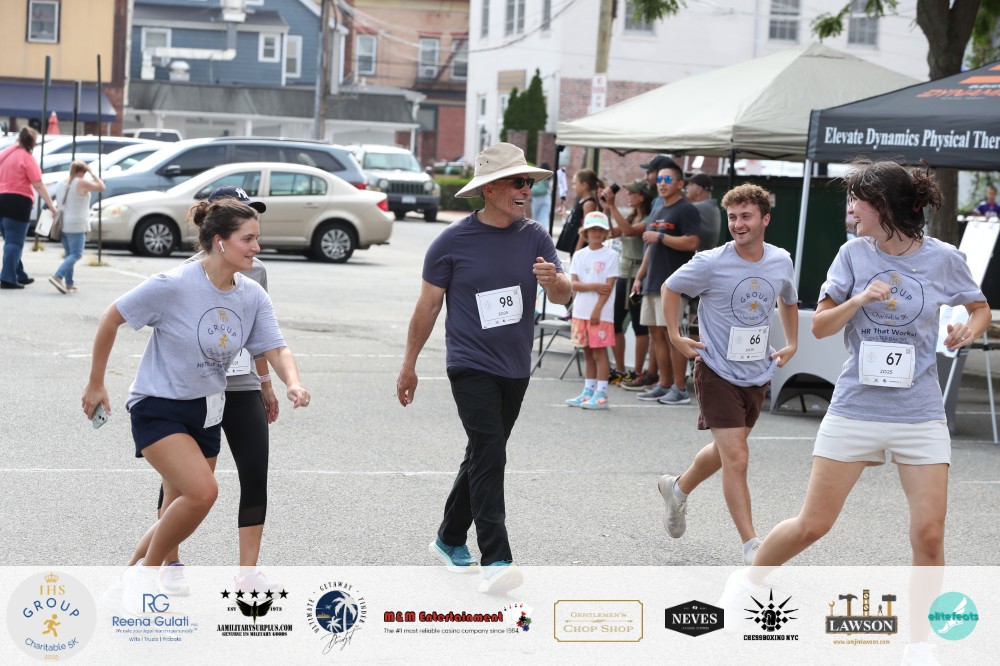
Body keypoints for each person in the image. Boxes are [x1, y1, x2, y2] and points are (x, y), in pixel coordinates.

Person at [750, 159, 989, 660]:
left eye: (857, 199)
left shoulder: (944, 258)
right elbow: (820, 327)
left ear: (884, 205)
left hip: (920, 414)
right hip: (856, 409)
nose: (851, 209)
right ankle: (746, 584)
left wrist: (968, 329)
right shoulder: (852, 254)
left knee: (929, 534)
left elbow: (979, 307)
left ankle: (920, 644)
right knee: (813, 525)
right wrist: (859, 298)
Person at [82, 197, 310, 613]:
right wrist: (96, 383)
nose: (257, 247)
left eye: (257, 238)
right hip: (159, 405)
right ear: (220, 241)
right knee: (203, 492)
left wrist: (291, 382)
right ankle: (147, 577)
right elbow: (111, 317)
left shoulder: (252, 295)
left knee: (177, 507)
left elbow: (276, 347)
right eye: (248, 239)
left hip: (206, 409)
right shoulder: (172, 285)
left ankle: (126, 579)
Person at [396, 142, 570, 594]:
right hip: (469, 363)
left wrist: (556, 281)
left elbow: (563, 293)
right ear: (489, 188)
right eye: (518, 182)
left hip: (515, 366)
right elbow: (428, 307)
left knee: (482, 453)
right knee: (491, 452)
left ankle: (449, 538)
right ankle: (496, 559)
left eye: (529, 182)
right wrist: (409, 365)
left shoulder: (535, 235)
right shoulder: (451, 242)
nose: (526, 189)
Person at [150, 186, 283, 596]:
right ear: (217, 230)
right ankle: (169, 564)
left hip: (243, 387)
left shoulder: (256, 272)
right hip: (198, 390)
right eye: (244, 225)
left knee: (255, 474)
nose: (253, 242)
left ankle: (247, 572)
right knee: (186, 484)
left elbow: (261, 334)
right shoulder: (185, 276)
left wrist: (266, 383)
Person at [657, 183, 799, 565]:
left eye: (746, 216)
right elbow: (670, 287)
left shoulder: (780, 260)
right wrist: (675, 336)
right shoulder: (710, 262)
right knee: (737, 456)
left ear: (765, 219)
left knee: (725, 452)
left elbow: (788, 299)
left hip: (756, 372)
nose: (738, 224)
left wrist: (793, 342)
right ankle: (752, 546)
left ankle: (678, 489)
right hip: (716, 369)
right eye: (733, 217)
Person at [632, 163, 702, 404]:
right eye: (660, 179)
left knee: (674, 336)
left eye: (668, 179)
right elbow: (650, 248)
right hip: (652, 281)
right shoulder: (658, 209)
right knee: (657, 335)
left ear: (680, 184)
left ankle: (680, 388)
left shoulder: (686, 209)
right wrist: (640, 277)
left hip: (674, 284)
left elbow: (692, 242)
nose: (662, 183)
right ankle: (664, 384)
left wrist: (661, 236)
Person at [601, 178, 655, 387]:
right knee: (616, 322)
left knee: (639, 325)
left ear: (642, 196)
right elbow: (612, 233)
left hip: (637, 274)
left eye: (632, 193)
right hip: (624, 273)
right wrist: (607, 210)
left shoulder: (649, 219)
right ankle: (621, 369)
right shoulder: (632, 216)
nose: (629, 196)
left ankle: (637, 372)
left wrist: (613, 206)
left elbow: (629, 231)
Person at [565, 211, 619, 410]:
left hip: (600, 314)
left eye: (600, 229)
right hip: (580, 312)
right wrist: (594, 286)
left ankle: (601, 394)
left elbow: (609, 286)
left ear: (606, 232)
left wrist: (597, 309)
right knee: (587, 352)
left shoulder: (611, 255)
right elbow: (574, 284)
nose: (597, 233)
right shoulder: (579, 255)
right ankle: (588, 391)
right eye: (592, 229)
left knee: (599, 353)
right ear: (585, 232)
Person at [0, 127, 58, 289]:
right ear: (32, 143)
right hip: (18, 202)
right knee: (15, 243)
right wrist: (51, 205)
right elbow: (38, 184)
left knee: (10, 240)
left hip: (1, 199)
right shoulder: (27, 158)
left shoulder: (4, 155)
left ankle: (19, 274)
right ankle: (8, 278)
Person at [48, 161, 105, 294]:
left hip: (63, 223)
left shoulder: (62, 183)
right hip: (77, 224)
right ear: (82, 172)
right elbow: (101, 187)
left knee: (70, 254)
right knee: (77, 254)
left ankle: (69, 283)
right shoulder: (80, 182)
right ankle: (58, 276)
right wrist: (93, 174)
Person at [555, 169, 600, 256]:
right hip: (573, 243)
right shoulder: (581, 200)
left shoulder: (589, 203)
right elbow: (576, 219)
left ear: (584, 185)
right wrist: (565, 214)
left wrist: (577, 250)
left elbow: (585, 227)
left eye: (575, 184)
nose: (573, 187)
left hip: (578, 245)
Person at [685, 173, 721, 252]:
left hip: (700, 256)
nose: (687, 187)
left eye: (691, 184)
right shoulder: (710, 206)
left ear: (699, 189)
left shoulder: (700, 207)